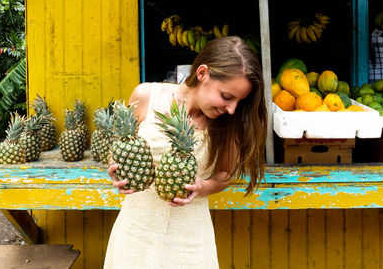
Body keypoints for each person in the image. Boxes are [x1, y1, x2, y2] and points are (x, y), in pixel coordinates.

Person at [104, 35, 268, 269]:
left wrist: (204, 187)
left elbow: (226, 174)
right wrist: (115, 167)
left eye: (237, 102)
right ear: (202, 73)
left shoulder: (227, 124)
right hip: (136, 234)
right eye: (226, 97)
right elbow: (117, 144)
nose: (231, 109)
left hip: (190, 242)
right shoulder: (146, 96)